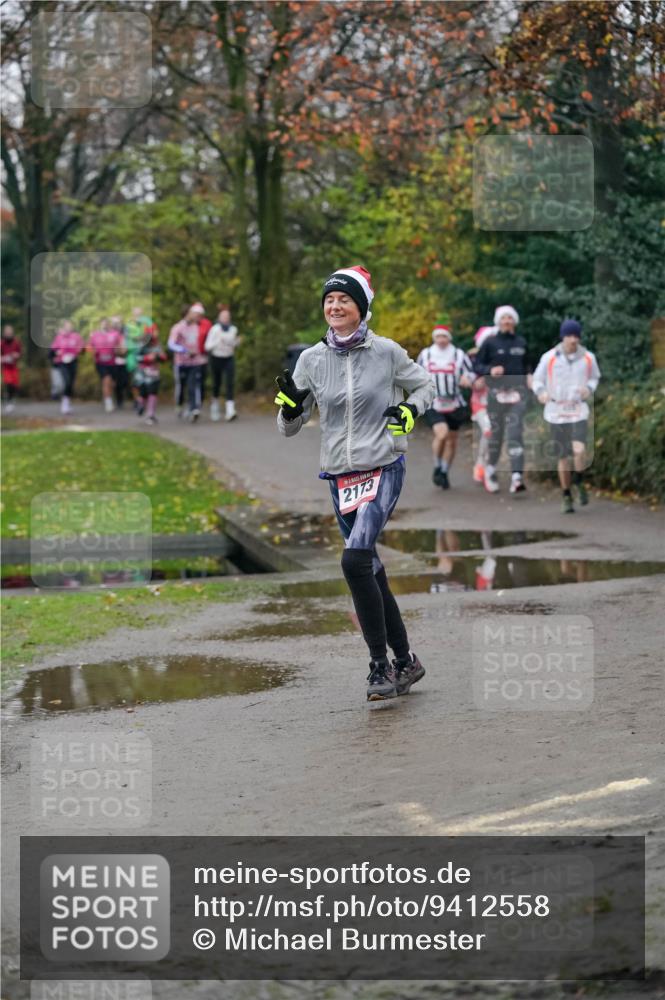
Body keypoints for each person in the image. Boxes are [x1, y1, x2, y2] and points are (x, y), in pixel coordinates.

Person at [275, 265, 434, 703]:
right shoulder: (310, 359)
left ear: (361, 307)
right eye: (329, 299)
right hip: (340, 476)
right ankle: (407, 661)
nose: (334, 305)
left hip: (383, 466)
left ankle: (379, 667)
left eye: (344, 299)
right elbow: (291, 424)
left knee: (354, 561)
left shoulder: (386, 352)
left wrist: (410, 412)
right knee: (370, 571)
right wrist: (290, 410)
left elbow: (425, 387)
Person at [532, 318, 601, 513]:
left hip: (578, 410)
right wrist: (541, 393)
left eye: (576, 336)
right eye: (569, 336)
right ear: (563, 337)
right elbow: (537, 380)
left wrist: (589, 389)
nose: (573, 340)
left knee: (579, 451)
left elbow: (595, 377)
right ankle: (566, 495)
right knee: (563, 456)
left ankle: (579, 482)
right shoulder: (549, 358)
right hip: (556, 412)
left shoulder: (588, 357)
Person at [473, 305, 532, 494]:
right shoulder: (490, 342)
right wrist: (490, 371)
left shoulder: (521, 342)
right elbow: (477, 364)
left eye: (510, 318)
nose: (507, 321)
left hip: (518, 394)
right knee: (496, 435)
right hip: (496, 395)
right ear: (498, 321)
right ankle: (490, 468)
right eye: (503, 318)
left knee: (515, 433)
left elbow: (528, 364)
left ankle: (517, 476)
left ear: (514, 321)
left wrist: (530, 375)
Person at [417, 324, 474, 489]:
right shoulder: (426, 354)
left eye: (444, 337)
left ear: (449, 338)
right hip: (434, 402)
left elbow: (470, 372)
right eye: (438, 337)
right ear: (434, 338)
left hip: (455, 403)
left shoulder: (458, 354)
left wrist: (466, 379)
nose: (441, 340)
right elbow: (415, 373)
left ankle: (444, 471)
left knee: (452, 442)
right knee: (441, 434)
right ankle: (437, 466)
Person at [168, 305, 207, 420]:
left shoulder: (195, 327)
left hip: (194, 362)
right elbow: (171, 344)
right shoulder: (177, 328)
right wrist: (184, 350)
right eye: (192, 313)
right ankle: (179, 404)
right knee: (181, 387)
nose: (195, 315)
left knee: (193, 385)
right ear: (186, 314)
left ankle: (194, 409)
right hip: (181, 363)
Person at [468, 326, 496, 484]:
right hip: (480, 403)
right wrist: (472, 381)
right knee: (489, 431)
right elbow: (466, 375)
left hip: (497, 402)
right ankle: (484, 469)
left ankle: (481, 463)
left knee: (493, 436)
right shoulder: (474, 356)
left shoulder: (501, 356)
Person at [205, 305, 241, 421]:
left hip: (228, 358)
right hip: (216, 359)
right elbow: (207, 346)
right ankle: (214, 407)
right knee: (217, 383)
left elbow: (233, 344)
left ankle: (230, 411)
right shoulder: (214, 329)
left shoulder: (233, 329)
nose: (226, 318)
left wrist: (236, 342)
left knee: (230, 383)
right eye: (223, 316)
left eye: (227, 316)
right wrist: (217, 342)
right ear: (219, 318)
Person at [88, 318, 126, 412]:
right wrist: (94, 351)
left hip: (113, 363)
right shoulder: (95, 335)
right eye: (103, 323)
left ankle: (108, 397)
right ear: (100, 325)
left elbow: (123, 348)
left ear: (109, 325)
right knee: (106, 380)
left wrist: (119, 350)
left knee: (112, 384)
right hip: (101, 363)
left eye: (106, 323)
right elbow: (89, 347)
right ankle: (108, 403)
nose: (105, 325)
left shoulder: (115, 334)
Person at [133, 327, 168, 426]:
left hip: (154, 373)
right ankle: (140, 405)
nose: (157, 333)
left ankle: (150, 414)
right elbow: (136, 357)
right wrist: (147, 358)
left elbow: (163, 357)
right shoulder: (142, 344)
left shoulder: (157, 344)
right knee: (143, 393)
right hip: (142, 373)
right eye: (155, 331)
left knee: (153, 392)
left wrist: (160, 356)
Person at [125, 307, 157, 413]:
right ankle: (138, 400)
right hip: (132, 357)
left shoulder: (147, 322)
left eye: (139, 314)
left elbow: (153, 335)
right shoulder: (129, 325)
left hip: (145, 358)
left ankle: (143, 401)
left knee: (146, 383)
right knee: (136, 382)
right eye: (135, 314)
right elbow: (127, 340)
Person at [49, 320, 85, 414]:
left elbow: (82, 349)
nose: (69, 327)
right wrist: (57, 352)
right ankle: (63, 402)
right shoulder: (59, 337)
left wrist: (80, 350)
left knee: (70, 383)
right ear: (64, 327)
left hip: (73, 362)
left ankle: (66, 402)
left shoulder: (76, 337)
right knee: (66, 381)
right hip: (62, 362)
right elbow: (52, 351)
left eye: (70, 326)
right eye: (67, 326)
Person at [191, 303, 212, 407]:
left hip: (203, 356)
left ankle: (200, 399)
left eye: (198, 314)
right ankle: (194, 403)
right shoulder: (189, 324)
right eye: (195, 314)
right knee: (194, 379)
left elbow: (211, 338)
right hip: (191, 358)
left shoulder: (207, 324)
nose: (196, 316)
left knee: (201, 379)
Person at [1, 325, 21, 413]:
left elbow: (19, 353)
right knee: (8, 383)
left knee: (14, 385)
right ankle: (8, 401)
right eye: (7, 332)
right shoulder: (1, 343)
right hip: (6, 367)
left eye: (10, 332)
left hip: (14, 367)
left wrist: (16, 355)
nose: (8, 334)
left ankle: (12, 399)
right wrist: (3, 358)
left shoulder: (16, 342)